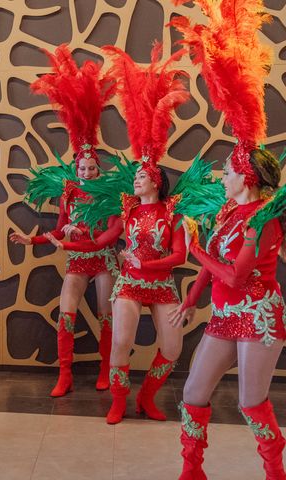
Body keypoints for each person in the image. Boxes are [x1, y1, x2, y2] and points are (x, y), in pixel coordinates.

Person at [171, 2, 286, 478]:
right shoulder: (228, 212)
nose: (220, 175)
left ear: (247, 177)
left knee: (249, 400)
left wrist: (195, 249)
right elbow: (213, 266)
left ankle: (276, 471)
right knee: (194, 393)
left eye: (227, 170)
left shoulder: (263, 219)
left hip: (258, 313)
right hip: (224, 312)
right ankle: (192, 470)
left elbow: (237, 274)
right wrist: (194, 298)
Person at [10, 44, 118, 395]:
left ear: (97, 169)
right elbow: (58, 230)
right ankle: (65, 375)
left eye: (90, 167)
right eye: (81, 167)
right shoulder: (69, 193)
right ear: (75, 168)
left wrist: (74, 236)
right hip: (76, 260)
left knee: (106, 316)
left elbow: (107, 235)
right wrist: (34, 240)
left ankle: (105, 370)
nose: (86, 171)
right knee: (66, 315)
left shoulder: (106, 193)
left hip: (101, 259)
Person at [98, 43, 190, 424]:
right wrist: (121, 255)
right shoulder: (128, 208)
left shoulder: (173, 210)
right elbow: (113, 240)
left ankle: (146, 398)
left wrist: (147, 261)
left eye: (141, 175)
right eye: (135, 175)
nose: (135, 178)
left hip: (162, 284)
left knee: (173, 347)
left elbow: (180, 256)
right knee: (122, 342)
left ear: (155, 180)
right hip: (131, 283)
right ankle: (119, 401)